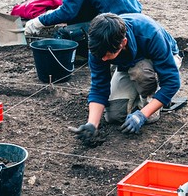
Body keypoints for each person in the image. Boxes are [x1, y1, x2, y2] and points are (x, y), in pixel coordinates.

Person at [70, 13, 182, 144]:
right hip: (128, 64)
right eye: (101, 56)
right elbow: (99, 86)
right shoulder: (97, 47)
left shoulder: (150, 34)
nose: (104, 59)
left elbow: (172, 82)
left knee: (140, 73)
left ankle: (152, 98)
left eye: (108, 55)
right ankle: (141, 98)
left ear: (123, 43)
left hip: (166, 60)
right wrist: (92, 124)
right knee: (114, 115)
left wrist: (142, 115)